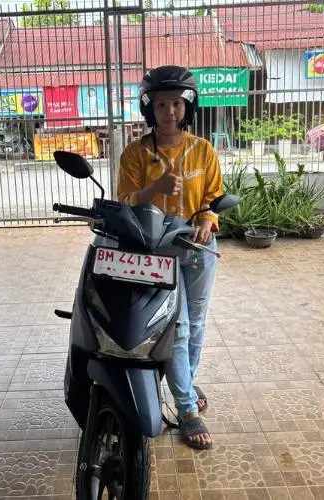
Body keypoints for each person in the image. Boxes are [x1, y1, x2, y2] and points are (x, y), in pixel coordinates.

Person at [116, 65, 223, 450]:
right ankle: (187, 408)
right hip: (156, 251)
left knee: (196, 323)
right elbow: (125, 201)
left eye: (176, 103)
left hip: (199, 249)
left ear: (187, 106)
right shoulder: (136, 153)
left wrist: (207, 220)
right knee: (176, 326)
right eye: (161, 104)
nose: (170, 112)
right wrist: (155, 188)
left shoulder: (203, 150)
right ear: (150, 108)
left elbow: (213, 197)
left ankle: (185, 386)